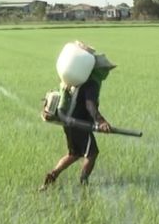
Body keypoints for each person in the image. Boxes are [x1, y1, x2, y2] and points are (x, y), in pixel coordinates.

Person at [40, 49, 116, 190]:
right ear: (98, 70)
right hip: (78, 124)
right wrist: (101, 121)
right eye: (105, 69)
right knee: (92, 153)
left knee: (74, 154)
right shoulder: (92, 83)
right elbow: (90, 105)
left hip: (69, 122)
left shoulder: (80, 81)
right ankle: (83, 183)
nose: (107, 72)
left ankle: (52, 175)